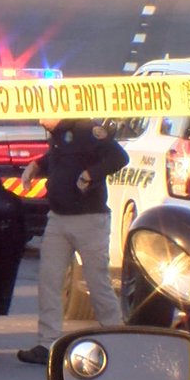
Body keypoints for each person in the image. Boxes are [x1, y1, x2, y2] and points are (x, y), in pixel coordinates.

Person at [16, 117, 130, 364]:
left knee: (97, 280)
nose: (40, 118)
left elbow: (119, 158)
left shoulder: (87, 130)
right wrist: (36, 165)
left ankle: (116, 336)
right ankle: (48, 344)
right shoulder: (58, 135)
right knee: (49, 280)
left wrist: (91, 174)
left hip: (89, 220)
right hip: (58, 218)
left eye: (45, 112)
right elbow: (63, 160)